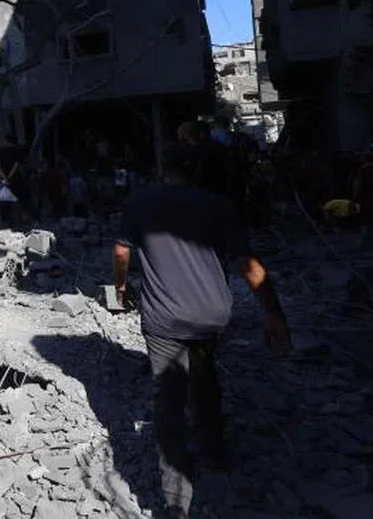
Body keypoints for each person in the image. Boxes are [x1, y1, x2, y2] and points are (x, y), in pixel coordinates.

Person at [113, 143, 290, 519]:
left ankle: (176, 499)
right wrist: (275, 316)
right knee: (205, 377)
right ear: (196, 170)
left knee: (168, 399)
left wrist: (120, 286)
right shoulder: (217, 205)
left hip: (163, 322)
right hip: (211, 318)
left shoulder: (139, 203)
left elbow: (121, 253)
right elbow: (247, 265)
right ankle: (214, 450)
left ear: (163, 168)